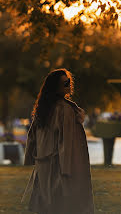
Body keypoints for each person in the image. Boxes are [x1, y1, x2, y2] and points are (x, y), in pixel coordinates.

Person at [21, 68, 94, 214]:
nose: (68, 86)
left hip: (43, 166)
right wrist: (67, 170)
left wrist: (31, 157)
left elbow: (32, 137)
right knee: (61, 206)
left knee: (45, 206)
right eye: (65, 83)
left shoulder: (43, 108)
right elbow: (65, 142)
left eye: (69, 82)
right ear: (56, 86)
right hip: (58, 167)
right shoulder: (64, 110)